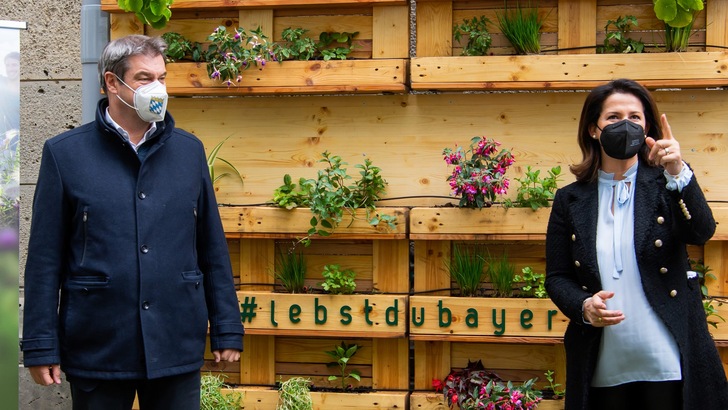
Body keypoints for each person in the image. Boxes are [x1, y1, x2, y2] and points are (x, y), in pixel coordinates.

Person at [21, 35, 245, 409]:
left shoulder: (189, 152)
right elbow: (45, 259)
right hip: (100, 345)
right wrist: (39, 343)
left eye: (162, 76)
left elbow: (211, 247)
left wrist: (227, 327)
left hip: (175, 341)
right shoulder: (65, 154)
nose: (157, 87)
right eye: (144, 78)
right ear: (113, 82)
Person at [545, 78, 728, 410]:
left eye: (635, 117)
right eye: (613, 117)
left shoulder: (666, 184)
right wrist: (584, 306)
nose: (625, 124)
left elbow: (701, 231)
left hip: (669, 359)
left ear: (648, 127)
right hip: (602, 361)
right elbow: (557, 277)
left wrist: (677, 171)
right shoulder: (570, 200)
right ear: (593, 129)